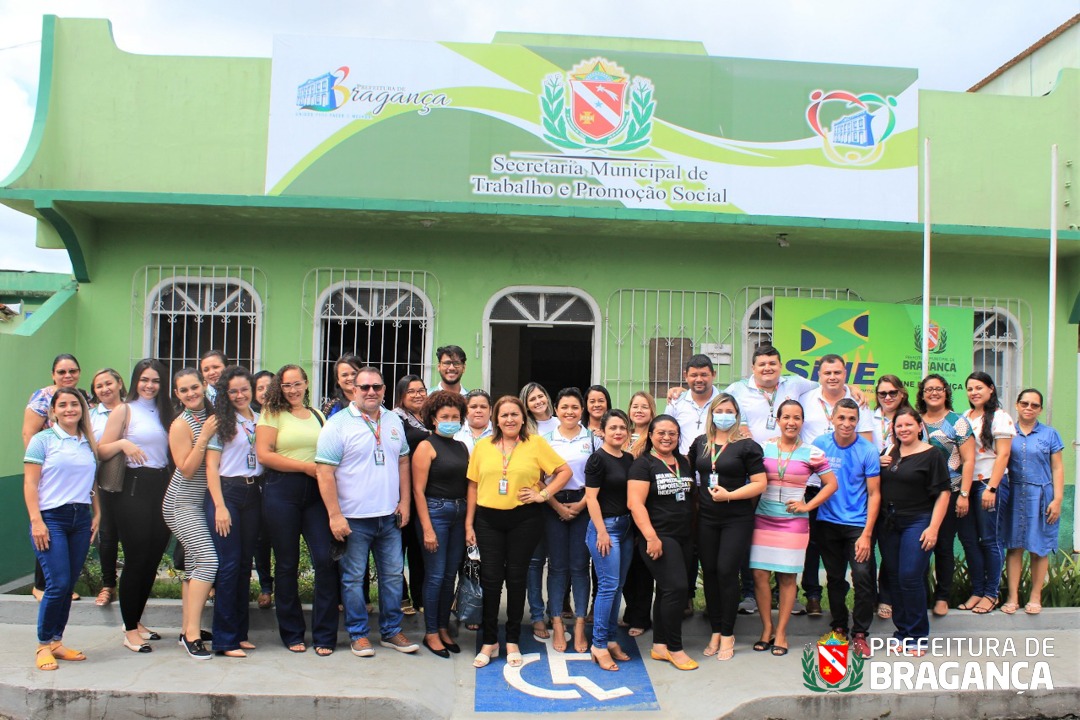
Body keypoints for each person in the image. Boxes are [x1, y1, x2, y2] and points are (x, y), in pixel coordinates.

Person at [317, 366, 419, 658]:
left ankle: (391, 632)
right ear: (354, 390)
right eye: (364, 387)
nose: (371, 392)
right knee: (352, 579)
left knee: (392, 577)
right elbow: (325, 472)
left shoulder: (392, 420)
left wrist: (405, 502)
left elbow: (403, 461)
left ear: (385, 390)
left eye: (376, 387)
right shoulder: (337, 425)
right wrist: (335, 515)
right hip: (353, 520)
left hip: (389, 517)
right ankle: (359, 634)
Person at [465, 396, 571, 669]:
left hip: (524, 519)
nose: (509, 419)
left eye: (514, 414)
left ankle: (512, 640)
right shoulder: (483, 447)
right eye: (503, 415)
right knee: (490, 579)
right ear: (495, 419)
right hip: (488, 520)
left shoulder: (535, 443)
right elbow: (473, 487)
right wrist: (469, 524)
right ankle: (490, 640)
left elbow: (564, 471)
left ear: (523, 417)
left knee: (516, 578)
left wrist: (543, 494)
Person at [255, 365, 338, 654]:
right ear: (280, 386)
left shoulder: (318, 415)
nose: (292, 390)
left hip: (316, 494)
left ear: (306, 384)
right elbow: (264, 455)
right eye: (287, 385)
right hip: (282, 491)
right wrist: (305, 467)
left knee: (325, 561)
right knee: (287, 564)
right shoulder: (271, 414)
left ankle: (325, 634)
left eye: (297, 384)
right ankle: (292, 633)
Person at [98, 359, 174, 653]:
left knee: (153, 557)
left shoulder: (167, 412)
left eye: (155, 380)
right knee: (137, 557)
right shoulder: (124, 410)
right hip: (132, 487)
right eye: (144, 379)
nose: (149, 385)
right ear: (135, 381)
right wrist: (123, 445)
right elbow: (102, 449)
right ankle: (129, 630)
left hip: (161, 485)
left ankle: (137, 620)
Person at [749, 399, 836, 658]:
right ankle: (767, 629)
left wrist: (807, 506)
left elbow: (831, 484)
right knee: (760, 576)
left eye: (796, 417)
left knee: (787, 577)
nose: (791, 422)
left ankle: (783, 633)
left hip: (793, 524)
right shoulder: (762, 449)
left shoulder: (812, 452)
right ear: (777, 420)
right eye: (786, 417)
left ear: (802, 422)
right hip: (762, 519)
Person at [24, 388, 99, 671]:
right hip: (51, 518)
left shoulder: (87, 442)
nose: (70, 409)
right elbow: (30, 484)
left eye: (75, 404)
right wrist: (36, 521)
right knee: (57, 583)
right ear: (53, 411)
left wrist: (98, 514)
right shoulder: (42, 441)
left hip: (80, 519)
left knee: (67, 586)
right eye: (63, 405)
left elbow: (92, 485)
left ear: (82, 409)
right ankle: (43, 645)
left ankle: (57, 641)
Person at [687, 394, 766, 661]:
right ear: (711, 414)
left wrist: (730, 495)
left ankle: (729, 633)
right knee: (709, 572)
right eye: (719, 410)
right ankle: (716, 631)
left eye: (729, 410)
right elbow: (687, 470)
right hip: (707, 517)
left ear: (736, 415)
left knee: (726, 571)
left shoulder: (747, 445)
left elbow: (759, 483)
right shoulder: (701, 444)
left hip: (736, 518)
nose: (724, 414)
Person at [796, 354, 874, 618]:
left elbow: (872, 485)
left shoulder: (859, 408)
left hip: (854, 505)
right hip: (816, 492)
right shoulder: (806, 399)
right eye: (827, 372)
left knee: (861, 575)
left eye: (838, 372)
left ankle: (860, 629)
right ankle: (823, 607)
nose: (832, 377)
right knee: (822, 560)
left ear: (845, 374)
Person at [877, 407, 950, 655]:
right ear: (893, 429)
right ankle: (902, 632)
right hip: (888, 523)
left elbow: (943, 493)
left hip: (918, 522)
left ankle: (918, 635)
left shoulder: (932, 455)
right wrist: (879, 463)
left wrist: (933, 528)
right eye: (899, 426)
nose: (904, 429)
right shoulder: (889, 454)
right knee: (895, 578)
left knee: (910, 576)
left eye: (909, 425)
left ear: (920, 426)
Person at [626, 415, 697, 671]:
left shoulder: (682, 462)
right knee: (676, 588)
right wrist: (651, 537)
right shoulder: (643, 464)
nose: (667, 437)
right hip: (658, 535)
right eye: (661, 433)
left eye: (672, 433)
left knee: (668, 590)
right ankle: (674, 649)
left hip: (683, 537)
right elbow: (635, 503)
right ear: (651, 436)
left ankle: (659, 646)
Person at [813, 398, 881, 659]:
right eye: (841, 418)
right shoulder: (820, 445)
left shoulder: (868, 450)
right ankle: (839, 627)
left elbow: (875, 494)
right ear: (832, 418)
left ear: (857, 421)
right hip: (827, 523)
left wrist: (866, 533)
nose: (846, 423)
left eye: (852, 419)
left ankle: (861, 633)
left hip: (857, 526)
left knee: (863, 578)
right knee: (834, 579)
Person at [162, 368, 220, 660]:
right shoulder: (181, 424)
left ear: (203, 385)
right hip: (181, 503)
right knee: (208, 562)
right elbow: (185, 468)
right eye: (183, 390)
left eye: (194, 387)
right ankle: (193, 636)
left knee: (196, 564)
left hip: (200, 503)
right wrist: (205, 436)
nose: (191, 393)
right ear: (177, 394)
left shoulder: (212, 413)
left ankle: (188, 629)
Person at [205, 367, 263, 657]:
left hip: (254, 494)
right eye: (233, 391)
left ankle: (240, 634)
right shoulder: (220, 422)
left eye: (244, 389)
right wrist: (219, 507)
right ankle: (224, 640)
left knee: (243, 566)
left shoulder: (260, 420)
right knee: (228, 565)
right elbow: (211, 467)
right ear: (225, 395)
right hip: (227, 493)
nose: (240, 395)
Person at [23, 354, 86, 603]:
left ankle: (59, 586)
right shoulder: (42, 397)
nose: (67, 375)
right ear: (53, 374)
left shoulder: (82, 397)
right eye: (62, 372)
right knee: (46, 530)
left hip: (73, 476)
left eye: (72, 370)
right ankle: (41, 585)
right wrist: (41, 466)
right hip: (49, 472)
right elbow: (29, 433)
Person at [411, 390, 470, 657]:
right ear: (433, 419)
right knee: (434, 576)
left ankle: (444, 627)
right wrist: (427, 528)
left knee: (449, 576)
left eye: (455, 417)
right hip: (435, 512)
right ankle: (431, 632)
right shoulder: (426, 446)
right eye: (444, 416)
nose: (450, 420)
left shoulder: (461, 446)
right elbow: (417, 491)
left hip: (459, 512)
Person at [1000, 389, 1064, 616]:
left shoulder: (1050, 434)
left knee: (1039, 548)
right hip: (1015, 494)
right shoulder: (1007, 432)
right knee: (1014, 546)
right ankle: (1013, 596)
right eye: (1024, 403)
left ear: (1040, 409)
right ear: (1016, 405)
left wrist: (1057, 499)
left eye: (1034, 405)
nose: (1029, 408)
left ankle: (1035, 596)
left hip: (1042, 496)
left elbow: (1057, 467)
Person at [916, 373, 974, 616]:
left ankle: (942, 597)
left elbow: (969, 459)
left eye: (938, 389)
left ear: (946, 392)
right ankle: (917, 596)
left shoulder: (957, 422)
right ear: (921, 394)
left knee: (943, 546)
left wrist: (964, 494)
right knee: (917, 546)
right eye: (928, 389)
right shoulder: (915, 421)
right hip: (919, 496)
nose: (934, 393)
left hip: (949, 493)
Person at [542, 388, 595, 654]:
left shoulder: (592, 439)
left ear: (582, 410)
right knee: (557, 567)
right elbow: (538, 478)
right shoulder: (546, 439)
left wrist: (582, 504)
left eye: (575, 407)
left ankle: (579, 625)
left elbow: (599, 478)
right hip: (553, 505)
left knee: (579, 566)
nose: (570, 412)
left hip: (584, 504)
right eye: (564, 407)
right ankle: (557, 623)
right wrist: (556, 506)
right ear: (556, 409)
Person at [958, 371, 1015, 615]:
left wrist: (992, 487)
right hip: (965, 486)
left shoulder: (1000, 417)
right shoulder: (964, 417)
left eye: (979, 387)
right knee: (969, 540)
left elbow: (1003, 455)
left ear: (991, 389)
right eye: (970, 388)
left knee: (990, 540)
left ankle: (991, 593)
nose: (974, 392)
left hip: (989, 484)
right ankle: (978, 591)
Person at [584, 409, 635, 671]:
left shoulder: (628, 458)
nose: (618, 432)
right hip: (606, 529)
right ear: (602, 430)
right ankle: (599, 644)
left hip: (626, 528)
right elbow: (591, 498)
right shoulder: (597, 459)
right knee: (607, 586)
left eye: (622, 428)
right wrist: (602, 531)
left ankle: (612, 638)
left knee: (618, 586)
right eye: (613, 427)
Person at [870, 373, 913, 621]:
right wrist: (876, 461)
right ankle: (870, 595)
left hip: (898, 491)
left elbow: (920, 452)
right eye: (882, 393)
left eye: (892, 393)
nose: (887, 397)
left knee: (890, 549)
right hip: (870, 488)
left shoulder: (910, 419)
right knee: (866, 546)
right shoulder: (868, 416)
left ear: (902, 393)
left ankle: (886, 597)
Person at [519, 381, 558, 636]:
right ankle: (536, 615)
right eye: (531, 399)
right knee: (534, 562)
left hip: (561, 498)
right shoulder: (524, 430)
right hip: (534, 500)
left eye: (541, 395)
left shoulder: (562, 422)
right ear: (526, 405)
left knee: (558, 563)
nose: (538, 401)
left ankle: (556, 612)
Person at [88, 368, 126, 608]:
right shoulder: (90, 417)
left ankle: (137, 585)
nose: (105, 389)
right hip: (104, 481)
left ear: (120, 383)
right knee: (108, 535)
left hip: (134, 481)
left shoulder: (135, 411)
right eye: (99, 386)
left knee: (135, 537)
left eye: (108, 383)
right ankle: (108, 585)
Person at [393, 374, 429, 616]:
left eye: (421, 390)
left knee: (419, 549)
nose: (417, 394)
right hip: (401, 491)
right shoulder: (395, 418)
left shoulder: (430, 417)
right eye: (411, 391)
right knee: (398, 548)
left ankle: (420, 597)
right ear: (402, 396)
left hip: (426, 492)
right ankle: (402, 595)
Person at [622, 391, 656, 637]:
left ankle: (641, 617)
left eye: (645, 406)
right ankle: (631, 610)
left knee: (642, 565)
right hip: (620, 507)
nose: (639, 410)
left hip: (644, 506)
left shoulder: (654, 439)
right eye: (635, 406)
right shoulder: (622, 435)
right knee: (626, 563)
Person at [250, 369, 276, 608]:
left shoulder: (283, 415)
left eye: (269, 386)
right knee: (260, 539)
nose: (265, 392)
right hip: (255, 484)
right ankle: (266, 587)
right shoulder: (250, 417)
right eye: (260, 388)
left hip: (278, 483)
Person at [665, 355, 720, 455]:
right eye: (694, 375)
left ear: (713, 374)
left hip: (716, 464)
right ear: (685, 376)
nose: (699, 379)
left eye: (704, 375)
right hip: (683, 465)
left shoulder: (725, 402)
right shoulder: (675, 403)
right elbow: (666, 432)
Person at [454, 389, 493, 454]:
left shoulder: (499, 431)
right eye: (473, 407)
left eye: (483, 407)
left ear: (490, 410)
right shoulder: (456, 431)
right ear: (466, 410)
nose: (478, 410)